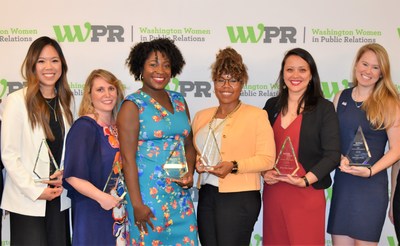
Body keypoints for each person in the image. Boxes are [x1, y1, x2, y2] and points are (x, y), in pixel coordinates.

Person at [117, 38, 198, 245]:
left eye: (166, 65)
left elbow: (189, 145)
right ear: (140, 68)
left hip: (180, 199)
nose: (160, 70)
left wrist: (189, 171)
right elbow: (127, 159)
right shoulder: (132, 105)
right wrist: (136, 204)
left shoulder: (179, 100)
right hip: (147, 200)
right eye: (153, 64)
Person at [192, 47, 276, 246]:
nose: (226, 86)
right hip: (207, 195)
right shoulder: (201, 116)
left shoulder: (256, 115)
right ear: (214, 83)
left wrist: (234, 165)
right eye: (221, 79)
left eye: (233, 79)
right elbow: (199, 152)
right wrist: (198, 164)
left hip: (240, 198)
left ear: (242, 83)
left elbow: (267, 159)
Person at [262, 48, 341, 245]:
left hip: (307, 194)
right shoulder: (271, 106)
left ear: (311, 74)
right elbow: (259, 146)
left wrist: (305, 181)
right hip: (275, 193)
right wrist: (264, 171)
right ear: (283, 74)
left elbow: (332, 155)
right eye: (290, 70)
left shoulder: (324, 108)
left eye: (302, 70)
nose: (295, 75)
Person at [0, 36, 73, 245]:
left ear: (62, 65)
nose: (48, 67)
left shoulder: (66, 102)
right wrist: (36, 191)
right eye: (41, 61)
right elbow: (9, 154)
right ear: (32, 65)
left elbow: (67, 149)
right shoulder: (16, 101)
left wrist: (65, 173)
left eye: (54, 60)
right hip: (28, 199)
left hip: (58, 198)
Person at [328, 43, 400, 245]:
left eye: (375, 67)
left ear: (381, 73)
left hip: (371, 189)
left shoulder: (390, 103)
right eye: (364, 63)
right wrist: (338, 158)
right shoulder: (340, 97)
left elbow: (397, 150)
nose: (368, 71)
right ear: (356, 65)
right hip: (343, 186)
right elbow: (332, 141)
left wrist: (370, 171)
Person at [63, 69, 128, 245]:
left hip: (117, 211)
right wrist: (102, 198)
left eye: (111, 88)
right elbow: (72, 175)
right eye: (100, 89)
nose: (107, 94)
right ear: (89, 95)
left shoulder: (118, 128)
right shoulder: (84, 126)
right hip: (93, 210)